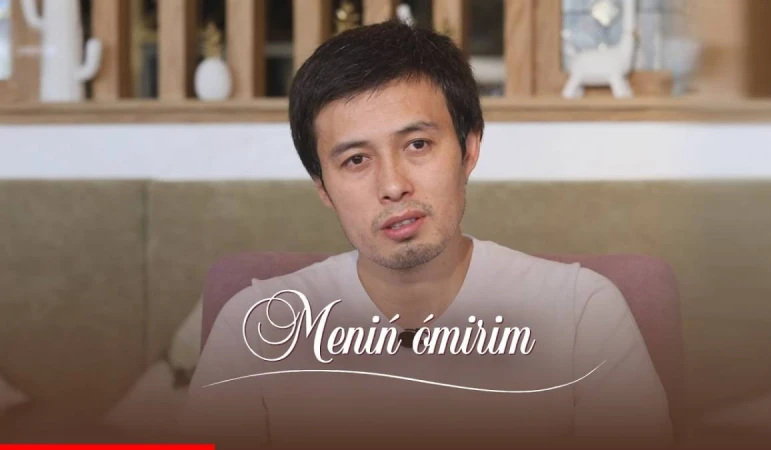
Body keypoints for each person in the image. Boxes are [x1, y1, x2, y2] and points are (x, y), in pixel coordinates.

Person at [180, 21, 673, 450]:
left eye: (417, 144)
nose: (393, 185)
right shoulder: (255, 326)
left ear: (469, 149)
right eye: (356, 160)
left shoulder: (581, 313)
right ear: (323, 189)